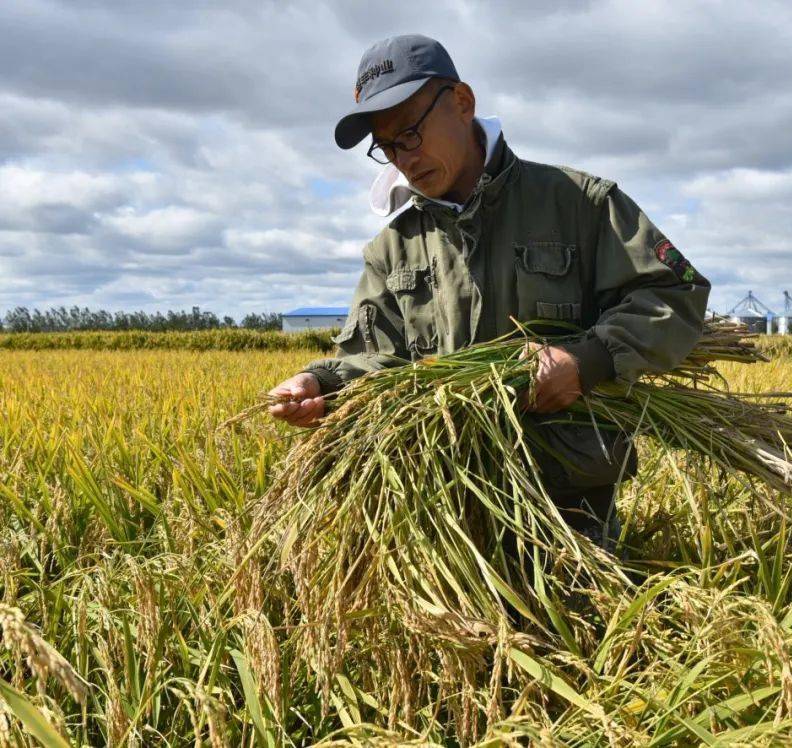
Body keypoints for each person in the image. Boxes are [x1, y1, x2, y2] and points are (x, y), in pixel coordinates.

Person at [268, 34, 710, 548]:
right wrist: (320, 384)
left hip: (567, 505)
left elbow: (674, 293)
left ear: (462, 103)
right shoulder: (392, 249)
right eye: (386, 147)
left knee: (573, 627)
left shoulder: (579, 204)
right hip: (444, 507)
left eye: (410, 133)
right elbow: (375, 361)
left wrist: (586, 361)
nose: (403, 159)